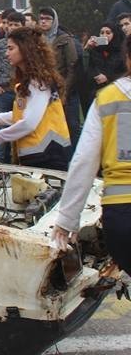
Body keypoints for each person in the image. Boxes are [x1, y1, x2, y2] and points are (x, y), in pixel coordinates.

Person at [52, 37, 131, 274]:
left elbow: (84, 160)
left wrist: (67, 219)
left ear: (127, 59)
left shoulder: (108, 98)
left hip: (121, 215)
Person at [0, 27, 71, 170]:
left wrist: (0, 137)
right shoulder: (28, 82)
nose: (6, 53)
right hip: (39, 154)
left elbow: (29, 122)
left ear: (25, 49)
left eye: (11, 48)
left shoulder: (38, 82)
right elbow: (22, 115)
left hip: (48, 154)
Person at [37, 7, 81, 144]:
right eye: (41, 19)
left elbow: (72, 66)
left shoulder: (65, 39)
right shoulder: (37, 39)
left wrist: (65, 90)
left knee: (71, 125)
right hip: (44, 88)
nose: (43, 22)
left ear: (54, 20)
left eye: (47, 19)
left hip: (65, 89)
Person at [0, 11, 25, 115]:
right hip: (4, 90)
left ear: (23, 26)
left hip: (22, 90)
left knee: (21, 120)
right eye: (10, 24)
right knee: (3, 124)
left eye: (16, 25)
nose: (12, 27)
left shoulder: (28, 44)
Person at [86, 23, 126, 92]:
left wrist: (108, 77)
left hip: (116, 90)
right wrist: (87, 48)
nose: (104, 35)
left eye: (108, 33)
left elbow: (123, 72)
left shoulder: (121, 51)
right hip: (96, 90)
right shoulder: (94, 50)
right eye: (102, 33)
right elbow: (87, 68)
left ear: (114, 35)